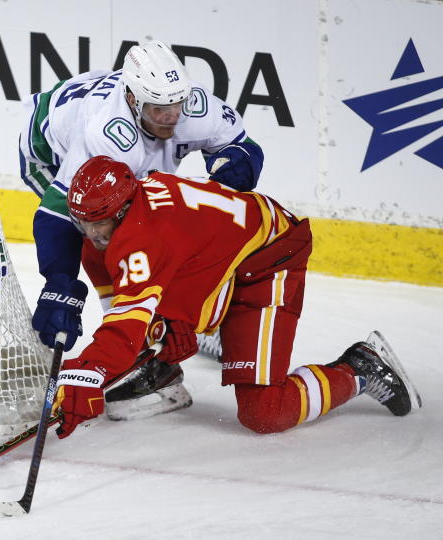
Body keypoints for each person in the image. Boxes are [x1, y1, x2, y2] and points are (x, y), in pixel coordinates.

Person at [51, 155, 422, 438]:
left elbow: (123, 327)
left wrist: (89, 375)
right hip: (214, 258)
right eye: (83, 222)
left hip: (267, 259)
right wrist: (157, 327)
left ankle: (360, 368)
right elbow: (123, 315)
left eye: (101, 222)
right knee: (152, 332)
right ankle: (176, 357)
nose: (92, 233)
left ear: (127, 208)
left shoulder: (143, 239)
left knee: (265, 412)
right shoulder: (114, 227)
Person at [26, 41, 261, 415]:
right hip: (46, 144)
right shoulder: (105, 134)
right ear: (134, 100)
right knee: (102, 234)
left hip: (118, 136)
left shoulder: (192, 109)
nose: (171, 116)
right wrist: (60, 283)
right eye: (159, 108)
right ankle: (133, 339)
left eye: (176, 105)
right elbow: (57, 215)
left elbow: (243, 147)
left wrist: (237, 164)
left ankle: (153, 330)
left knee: (161, 227)